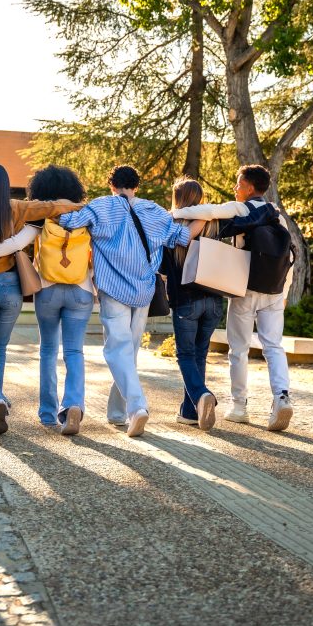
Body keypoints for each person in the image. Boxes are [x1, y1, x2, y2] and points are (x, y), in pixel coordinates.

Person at [55, 165, 190, 437]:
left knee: (117, 350)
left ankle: (137, 407)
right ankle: (117, 411)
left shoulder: (101, 206)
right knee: (129, 351)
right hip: (143, 290)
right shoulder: (154, 211)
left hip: (114, 289)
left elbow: (68, 222)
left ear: (112, 185)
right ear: (136, 186)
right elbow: (182, 236)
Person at [171, 164, 293, 432]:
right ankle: (281, 396)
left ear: (249, 188)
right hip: (274, 291)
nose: (236, 189)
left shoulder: (243, 208)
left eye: (239, 184)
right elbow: (290, 257)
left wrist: (175, 212)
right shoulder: (277, 215)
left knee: (238, 349)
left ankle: (239, 406)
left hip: (245, 290)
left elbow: (208, 211)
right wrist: (283, 292)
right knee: (274, 347)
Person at [0, 163, 80, 435]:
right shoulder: (18, 208)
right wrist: (80, 206)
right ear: (6, 185)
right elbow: (55, 206)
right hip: (10, 288)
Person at [162, 178, 218, 431]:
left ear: (177, 199)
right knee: (199, 354)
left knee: (185, 354)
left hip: (186, 300)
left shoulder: (170, 226)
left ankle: (201, 395)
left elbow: (163, 267)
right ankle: (190, 411)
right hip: (215, 299)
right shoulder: (215, 223)